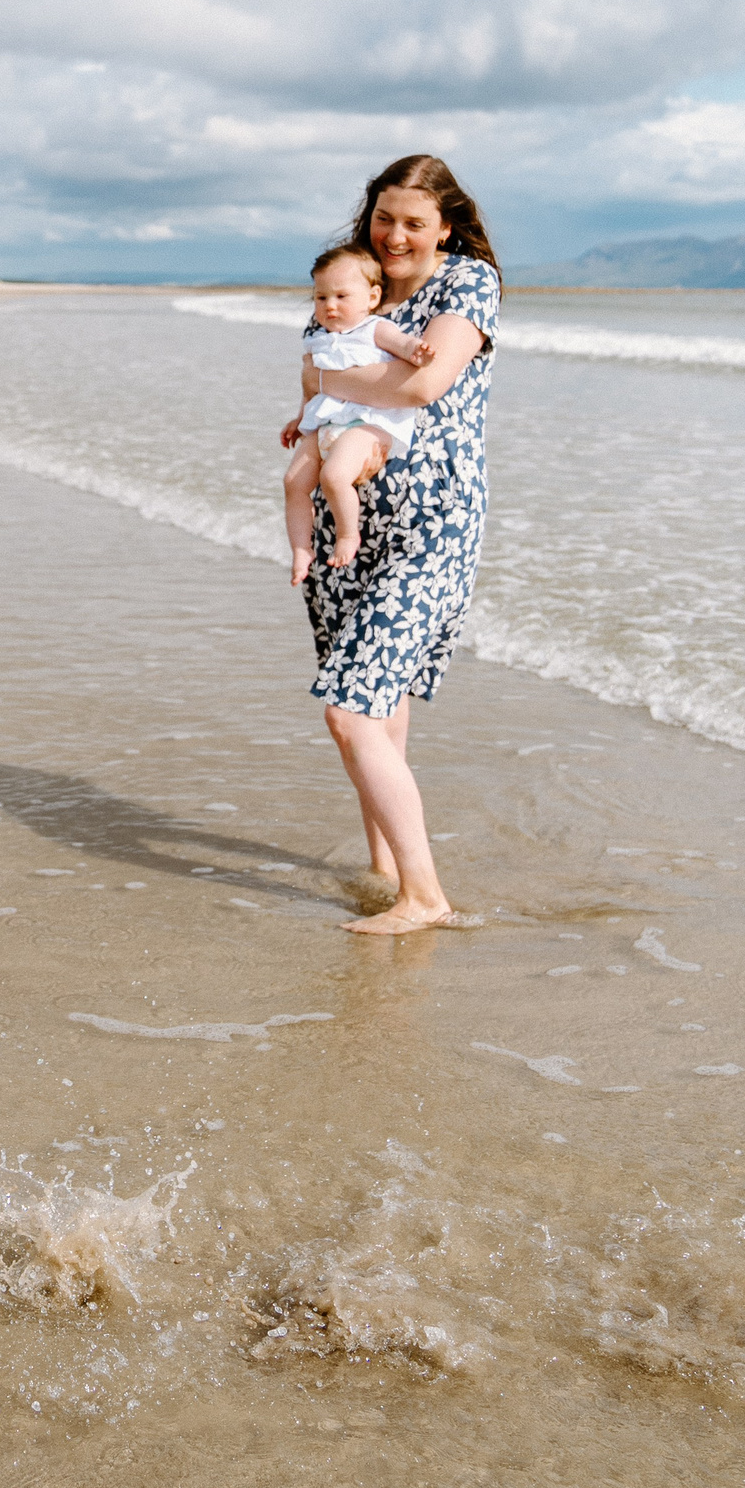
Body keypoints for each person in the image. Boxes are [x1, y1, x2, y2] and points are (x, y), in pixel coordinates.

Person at [290, 155, 502, 935]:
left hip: (433, 522)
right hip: (350, 525)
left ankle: (425, 896)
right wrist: (322, 381)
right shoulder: (350, 285)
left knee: (349, 708)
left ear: (445, 224)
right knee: (381, 712)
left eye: (415, 221)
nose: (396, 235)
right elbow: (304, 378)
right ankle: (386, 873)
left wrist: (331, 380)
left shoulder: (467, 284)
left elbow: (420, 386)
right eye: (385, 217)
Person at [280, 245, 432, 585]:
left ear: (372, 296)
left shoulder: (373, 328)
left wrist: (416, 350)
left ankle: (349, 535)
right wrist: (299, 417)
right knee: (293, 482)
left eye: (341, 296)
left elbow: (402, 344)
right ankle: (301, 548)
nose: (330, 305)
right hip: (325, 424)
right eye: (321, 298)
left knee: (334, 477)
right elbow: (312, 388)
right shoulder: (318, 341)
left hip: (368, 423)